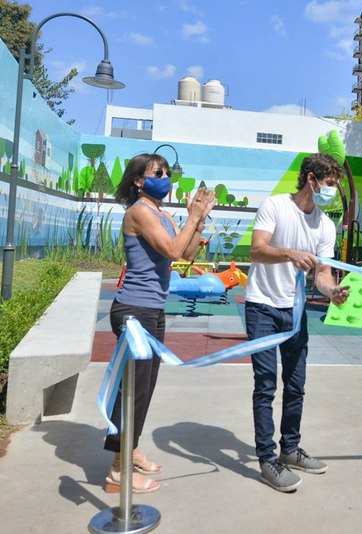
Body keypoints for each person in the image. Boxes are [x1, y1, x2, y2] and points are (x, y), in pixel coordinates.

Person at [106, 153, 215, 493]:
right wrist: (192, 217)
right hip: (134, 311)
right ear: (139, 180)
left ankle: (130, 448)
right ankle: (116, 470)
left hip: (152, 311)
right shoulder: (139, 211)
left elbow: (186, 255)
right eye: (157, 172)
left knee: (144, 389)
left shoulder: (162, 213)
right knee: (133, 391)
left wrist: (197, 221)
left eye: (167, 172)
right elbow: (170, 249)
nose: (165, 177)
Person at [246, 153, 350, 493]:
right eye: (331, 184)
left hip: (294, 311)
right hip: (262, 306)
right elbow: (257, 250)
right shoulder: (275, 206)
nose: (332, 192)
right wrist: (290, 253)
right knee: (265, 385)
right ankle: (267, 460)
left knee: (295, 385)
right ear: (312, 180)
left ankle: (289, 449)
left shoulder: (326, 226)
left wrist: (333, 291)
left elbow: (322, 274)